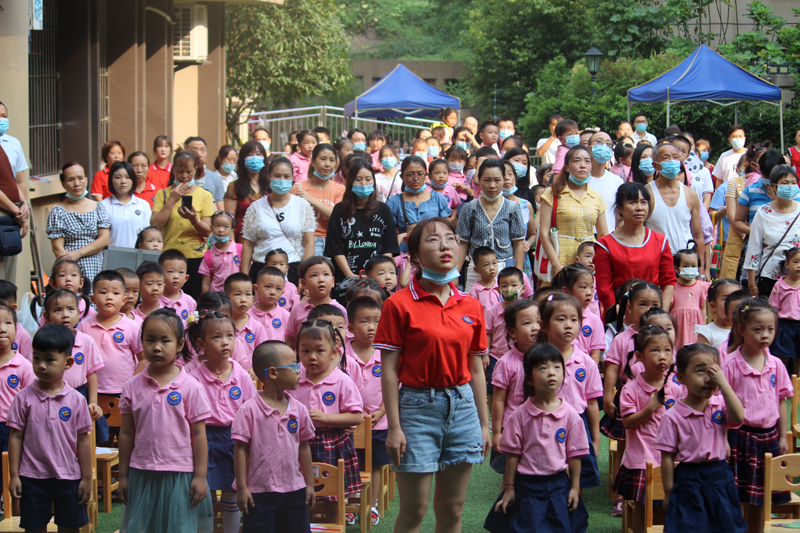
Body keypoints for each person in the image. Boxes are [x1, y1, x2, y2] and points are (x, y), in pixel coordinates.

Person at [374, 218, 490, 532]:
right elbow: (389, 370)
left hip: (463, 407)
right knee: (414, 509)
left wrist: (484, 424)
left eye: (450, 238)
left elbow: (476, 369)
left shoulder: (471, 305)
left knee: (452, 509)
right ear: (414, 256)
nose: (445, 246)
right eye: (433, 240)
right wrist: (394, 427)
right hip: (416, 409)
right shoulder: (398, 304)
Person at [118, 309, 213, 532]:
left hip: (180, 473)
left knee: (179, 527)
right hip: (142, 471)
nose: (157, 347)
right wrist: (123, 476)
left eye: (165, 340)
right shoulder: (131, 386)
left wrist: (200, 476)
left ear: (179, 344)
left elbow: (199, 434)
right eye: (150, 340)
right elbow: (127, 433)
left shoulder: (191, 387)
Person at [485, 343, 589, 533]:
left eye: (557, 367)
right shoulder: (519, 415)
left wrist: (574, 488)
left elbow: (575, 455)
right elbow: (513, 456)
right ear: (529, 379)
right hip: (526, 486)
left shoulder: (571, 416)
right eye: (543, 368)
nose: (551, 373)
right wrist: (510, 488)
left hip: (558, 485)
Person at [6, 323, 93, 531]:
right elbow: (15, 437)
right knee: (34, 527)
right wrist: (14, 475)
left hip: (69, 477)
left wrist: (86, 478)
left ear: (68, 363)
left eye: (50, 359)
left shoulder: (77, 400)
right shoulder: (23, 397)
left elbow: (83, 440)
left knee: (70, 527)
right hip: (32, 478)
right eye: (36, 358)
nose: (41, 365)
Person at [655, 344, 747, 533]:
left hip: (720, 477)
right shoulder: (672, 417)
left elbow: (738, 417)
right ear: (681, 377)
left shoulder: (720, 404)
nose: (708, 378)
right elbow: (667, 457)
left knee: (725, 527)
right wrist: (668, 491)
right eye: (700, 371)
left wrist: (724, 384)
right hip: (689, 480)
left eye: (713, 371)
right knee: (690, 527)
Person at [723, 298, 792, 532]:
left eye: (770, 329)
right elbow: (721, 406)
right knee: (736, 497)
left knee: (760, 498)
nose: (765, 335)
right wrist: (723, 440)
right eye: (758, 329)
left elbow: (781, 401)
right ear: (741, 330)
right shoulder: (730, 364)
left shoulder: (776, 364)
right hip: (738, 437)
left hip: (768, 438)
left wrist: (782, 436)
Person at [233, 342, 315, 533]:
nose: (299, 371)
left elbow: (304, 447)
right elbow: (240, 450)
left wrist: (309, 484)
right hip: (259, 493)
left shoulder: (299, 409)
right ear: (273, 373)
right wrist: (242, 488)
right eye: (294, 366)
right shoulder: (248, 410)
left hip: (295, 490)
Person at [186, 310, 257, 533]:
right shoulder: (193, 378)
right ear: (202, 344)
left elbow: (252, 409)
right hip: (203, 439)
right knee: (203, 494)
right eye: (217, 337)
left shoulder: (241, 375)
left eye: (229, 336)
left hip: (235, 439)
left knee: (232, 493)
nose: (225, 342)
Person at [290, 319, 363, 524]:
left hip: (332, 443)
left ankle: (334, 526)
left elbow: (356, 416)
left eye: (320, 350)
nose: (312, 357)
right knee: (303, 499)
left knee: (333, 500)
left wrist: (326, 418)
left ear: (333, 353)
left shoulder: (342, 380)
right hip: (299, 443)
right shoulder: (294, 378)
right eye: (305, 351)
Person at [614, 325, 682, 533]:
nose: (662, 356)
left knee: (664, 508)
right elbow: (628, 422)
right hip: (641, 460)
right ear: (639, 356)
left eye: (667, 350)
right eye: (655, 350)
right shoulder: (630, 389)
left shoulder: (676, 389)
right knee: (642, 509)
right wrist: (650, 408)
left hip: (670, 460)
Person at [536, 293, 602, 491]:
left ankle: (574, 504)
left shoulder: (586, 362)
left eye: (574, 320)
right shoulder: (535, 360)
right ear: (544, 326)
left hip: (577, 424)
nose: (568, 325)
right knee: (545, 476)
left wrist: (595, 440)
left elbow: (591, 403)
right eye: (561, 319)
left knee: (577, 479)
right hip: (544, 422)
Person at [594, 183, 676, 314]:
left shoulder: (660, 241)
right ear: (620, 209)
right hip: (620, 313)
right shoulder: (605, 245)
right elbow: (604, 289)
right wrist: (619, 315)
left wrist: (661, 313)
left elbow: (669, 282)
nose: (639, 208)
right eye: (632, 202)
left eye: (643, 202)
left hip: (653, 312)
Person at [325, 160, 399, 292]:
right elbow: (336, 249)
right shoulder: (339, 210)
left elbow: (389, 247)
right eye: (358, 179)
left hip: (378, 280)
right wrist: (350, 276)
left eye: (368, 179)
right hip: (346, 278)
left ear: (373, 181)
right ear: (350, 182)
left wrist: (380, 274)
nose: (364, 183)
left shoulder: (383, 210)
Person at [345, 296, 388, 526]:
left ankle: (371, 504)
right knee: (350, 463)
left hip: (379, 422)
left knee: (375, 464)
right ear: (351, 328)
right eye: (364, 321)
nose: (371, 327)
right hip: (349, 423)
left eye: (376, 321)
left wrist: (381, 412)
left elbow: (394, 387)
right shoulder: (342, 354)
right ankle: (350, 504)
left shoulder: (385, 352)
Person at [240, 157, 315, 286]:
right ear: (269, 177)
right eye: (277, 176)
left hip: (292, 269)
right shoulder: (255, 207)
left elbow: (309, 242)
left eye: (286, 176)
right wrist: (244, 277)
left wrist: (305, 275)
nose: (282, 180)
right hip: (261, 268)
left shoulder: (302, 205)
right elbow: (247, 244)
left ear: (292, 178)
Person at [150, 150, 214, 299]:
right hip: (170, 256)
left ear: (195, 170)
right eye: (180, 171)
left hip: (196, 257)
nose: (184, 176)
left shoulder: (205, 195)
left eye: (188, 171)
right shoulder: (163, 194)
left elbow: (207, 231)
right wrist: (172, 199)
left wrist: (194, 219)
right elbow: (155, 224)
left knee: (192, 300)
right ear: (173, 170)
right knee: (167, 298)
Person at [539, 146, 609, 277]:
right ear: (566, 167)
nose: (583, 165)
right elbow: (544, 233)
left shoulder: (596, 197)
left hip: (589, 259)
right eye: (577, 161)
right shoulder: (552, 193)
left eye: (587, 161)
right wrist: (557, 265)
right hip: (560, 256)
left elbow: (603, 235)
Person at [76, 271, 144, 396]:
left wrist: (132, 383)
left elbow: (144, 359)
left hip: (123, 391)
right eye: (103, 292)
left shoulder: (132, 327)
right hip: (89, 390)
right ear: (93, 299)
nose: (109, 297)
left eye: (115, 293)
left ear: (123, 300)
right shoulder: (84, 326)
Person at [47, 162, 111, 292]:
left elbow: (104, 239)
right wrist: (71, 269)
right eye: (71, 180)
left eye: (80, 178)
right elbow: (58, 249)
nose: (77, 183)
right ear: (63, 184)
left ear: (86, 179)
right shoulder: (58, 211)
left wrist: (78, 253)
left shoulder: (98, 206)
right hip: (69, 271)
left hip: (95, 266)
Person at [490, 300, 540, 459]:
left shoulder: (546, 359)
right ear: (512, 332)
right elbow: (498, 400)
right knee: (511, 469)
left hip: (539, 425)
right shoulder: (506, 363)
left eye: (539, 322)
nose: (535, 327)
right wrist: (497, 433)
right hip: (512, 427)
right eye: (527, 323)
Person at [742, 164, 800, 297]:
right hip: (769, 279)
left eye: (793, 183)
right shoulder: (763, 213)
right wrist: (752, 283)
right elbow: (754, 249)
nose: (790, 186)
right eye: (785, 183)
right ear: (774, 186)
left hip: (797, 279)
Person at [645, 143, 705, 269]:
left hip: (686, 261)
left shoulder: (690, 194)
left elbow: (698, 235)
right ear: (655, 165)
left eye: (675, 157)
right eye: (666, 158)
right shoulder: (646, 193)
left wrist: (701, 270)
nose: (672, 161)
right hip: (656, 260)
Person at [386, 155, 455, 250]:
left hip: (434, 249)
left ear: (426, 175)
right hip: (406, 250)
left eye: (420, 174)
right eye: (410, 175)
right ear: (402, 177)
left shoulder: (437, 198)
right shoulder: (394, 202)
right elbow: (390, 231)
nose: (415, 178)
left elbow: (445, 227)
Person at [291, 143, 345, 257]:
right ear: (312, 161)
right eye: (323, 159)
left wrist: (312, 200)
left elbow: (337, 217)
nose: (327, 164)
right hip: (306, 242)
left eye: (332, 160)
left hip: (333, 241)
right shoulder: (298, 188)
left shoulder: (339, 189)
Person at [283, 257, 346, 348]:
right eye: (314, 275)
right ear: (303, 283)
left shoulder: (340, 310)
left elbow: (345, 341)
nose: (321, 279)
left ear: (333, 281)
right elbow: (291, 339)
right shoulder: (297, 309)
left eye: (326, 274)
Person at [553, 265, 604, 363]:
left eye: (592, 287)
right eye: (583, 287)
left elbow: (595, 354)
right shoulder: (557, 318)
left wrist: (590, 371)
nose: (589, 292)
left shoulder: (595, 321)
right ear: (566, 291)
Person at [223, 140, 268, 243]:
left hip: (267, 242)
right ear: (243, 159)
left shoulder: (270, 186)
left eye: (258, 154)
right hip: (242, 241)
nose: (254, 158)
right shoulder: (234, 187)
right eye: (250, 154)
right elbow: (229, 220)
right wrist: (233, 247)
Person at [101, 161, 152, 248]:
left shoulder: (143, 205)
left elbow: (147, 236)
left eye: (128, 177)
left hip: (138, 255)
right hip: (112, 255)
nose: (123, 181)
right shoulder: (103, 206)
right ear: (111, 180)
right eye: (118, 177)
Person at [225, 273, 268, 370]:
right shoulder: (222, 325)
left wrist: (254, 369)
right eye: (237, 294)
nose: (243, 299)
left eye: (248, 294)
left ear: (253, 299)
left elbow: (264, 353)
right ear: (227, 298)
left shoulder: (257, 327)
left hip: (251, 375)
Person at [671, 244, 710, 349]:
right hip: (678, 328)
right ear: (677, 268)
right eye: (685, 266)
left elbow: (703, 308)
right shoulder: (672, 287)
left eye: (693, 266)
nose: (690, 269)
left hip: (695, 327)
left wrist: (704, 328)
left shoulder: (702, 286)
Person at [198, 211, 242, 294]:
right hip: (216, 298)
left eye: (226, 226)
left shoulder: (240, 250)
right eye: (217, 225)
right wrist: (205, 300)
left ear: (232, 230)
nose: (221, 230)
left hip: (236, 295)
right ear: (211, 227)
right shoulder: (208, 256)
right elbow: (206, 283)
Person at [588, 132, 624, 230]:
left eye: (608, 143)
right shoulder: (579, 181)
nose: (604, 146)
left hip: (608, 236)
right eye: (599, 141)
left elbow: (620, 215)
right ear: (589, 148)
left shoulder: (617, 181)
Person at [695, 278, 741, 348]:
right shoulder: (707, 333)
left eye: (737, 298)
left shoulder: (746, 329)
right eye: (726, 299)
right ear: (713, 306)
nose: (733, 303)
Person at [250, 266, 291, 342]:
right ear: (256, 288)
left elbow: (290, 342)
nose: (273, 292)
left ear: (282, 292)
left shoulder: (286, 316)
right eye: (268, 287)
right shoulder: (247, 316)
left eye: (278, 289)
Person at [158, 249, 197, 327]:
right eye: (170, 271)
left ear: (186, 278)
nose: (176, 276)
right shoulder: (156, 299)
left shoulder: (190, 302)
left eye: (181, 272)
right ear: (160, 275)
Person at [184, 137, 225, 211]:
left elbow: (220, 208)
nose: (199, 154)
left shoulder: (216, 178)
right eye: (194, 150)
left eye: (202, 150)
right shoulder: (181, 177)